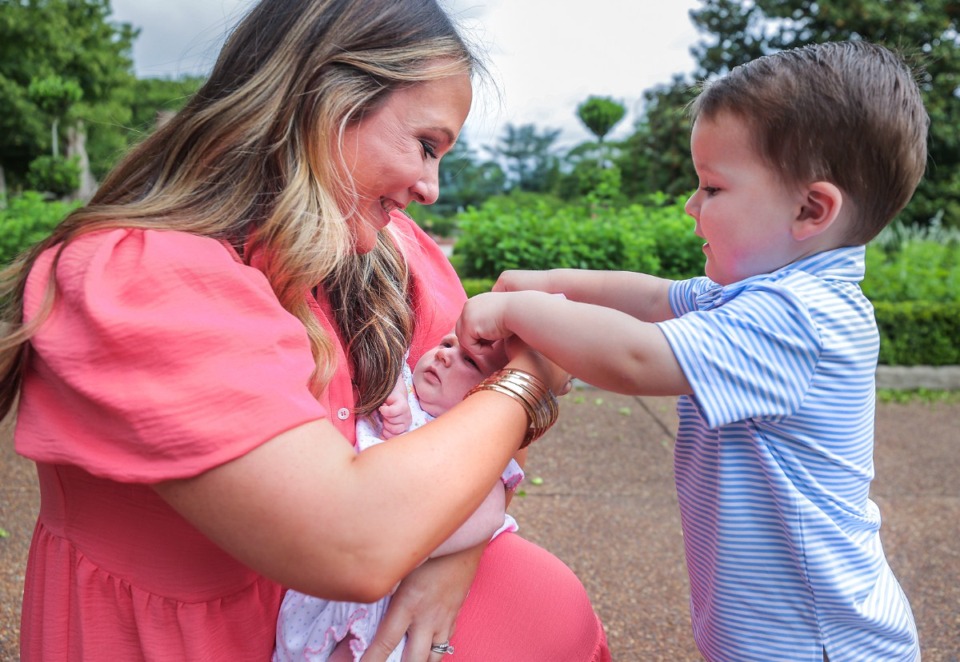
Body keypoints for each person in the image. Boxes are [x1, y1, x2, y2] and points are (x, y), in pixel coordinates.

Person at [0, 1, 612, 660]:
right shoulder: (141, 278)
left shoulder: (392, 253)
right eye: (426, 145)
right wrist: (531, 378)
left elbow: (472, 434)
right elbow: (351, 542)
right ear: (328, 100)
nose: (432, 187)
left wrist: (448, 563)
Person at [456, 41, 926, 661]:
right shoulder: (761, 294)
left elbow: (636, 356)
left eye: (712, 188)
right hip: (771, 630)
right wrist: (546, 281)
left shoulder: (799, 318)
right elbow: (653, 300)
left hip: (815, 642)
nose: (691, 205)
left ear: (811, 209)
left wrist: (520, 310)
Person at [275, 333, 524, 661]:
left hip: (395, 576)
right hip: (344, 553)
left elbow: (489, 512)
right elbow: (384, 348)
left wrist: (413, 551)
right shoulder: (405, 386)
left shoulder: (472, 442)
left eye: (469, 361)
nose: (444, 356)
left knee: (369, 646)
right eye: (447, 344)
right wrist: (392, 393)